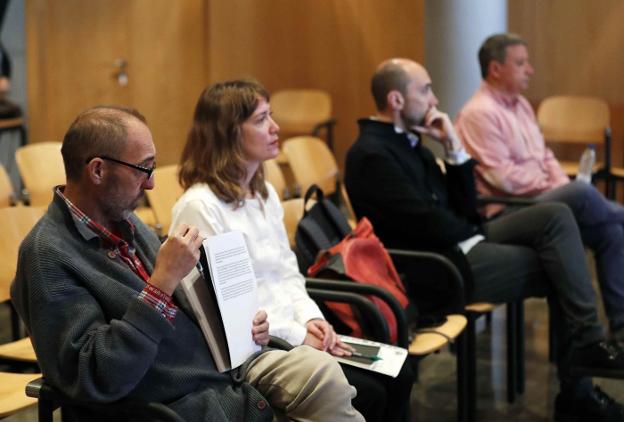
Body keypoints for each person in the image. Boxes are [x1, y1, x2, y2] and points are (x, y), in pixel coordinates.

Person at [10, 105, 364, 422]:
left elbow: (189, 309)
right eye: (142, 169)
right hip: (175, 398)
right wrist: (161, 283)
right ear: (98, 170)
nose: (151, 184)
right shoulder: (47, 256)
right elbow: (95, 376)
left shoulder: (126, 223)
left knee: (323, 374)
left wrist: (240, 327)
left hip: (218, 368)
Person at [344, 57, 624, 421]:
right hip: (438, 266)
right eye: (425, 90)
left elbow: (467, 208)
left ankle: (586, 353)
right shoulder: (371, 154)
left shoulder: (413, 144)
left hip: (461, 243)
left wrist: (454, 147)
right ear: (396, 100)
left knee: (556, 216)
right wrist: (472, 231)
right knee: (561, 265)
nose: (434, 99)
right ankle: (580, 387)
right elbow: (425, 224)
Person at [169, 79, 414, 422]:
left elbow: (287, 272)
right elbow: (234, 311)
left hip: (292, 330)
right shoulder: (199, 207)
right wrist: (300, 335)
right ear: (227, 133)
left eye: (271, 115)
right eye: (260, 120)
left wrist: (312, 318)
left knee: (401, 372)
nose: (275, 127)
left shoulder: (264, 192)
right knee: (369, 393)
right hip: (255, 349)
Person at [455, 33, 624, 341]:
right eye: (521, 63)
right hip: (508, 211)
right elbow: (501, 178)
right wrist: (556, 188)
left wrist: (558, 184)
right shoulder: (479, 113)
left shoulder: (520, 105)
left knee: (610, 232)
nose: (530, 70)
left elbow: (544, 156)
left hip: (543, 202)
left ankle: (621, 326)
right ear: (495, 69)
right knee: (580, 192)